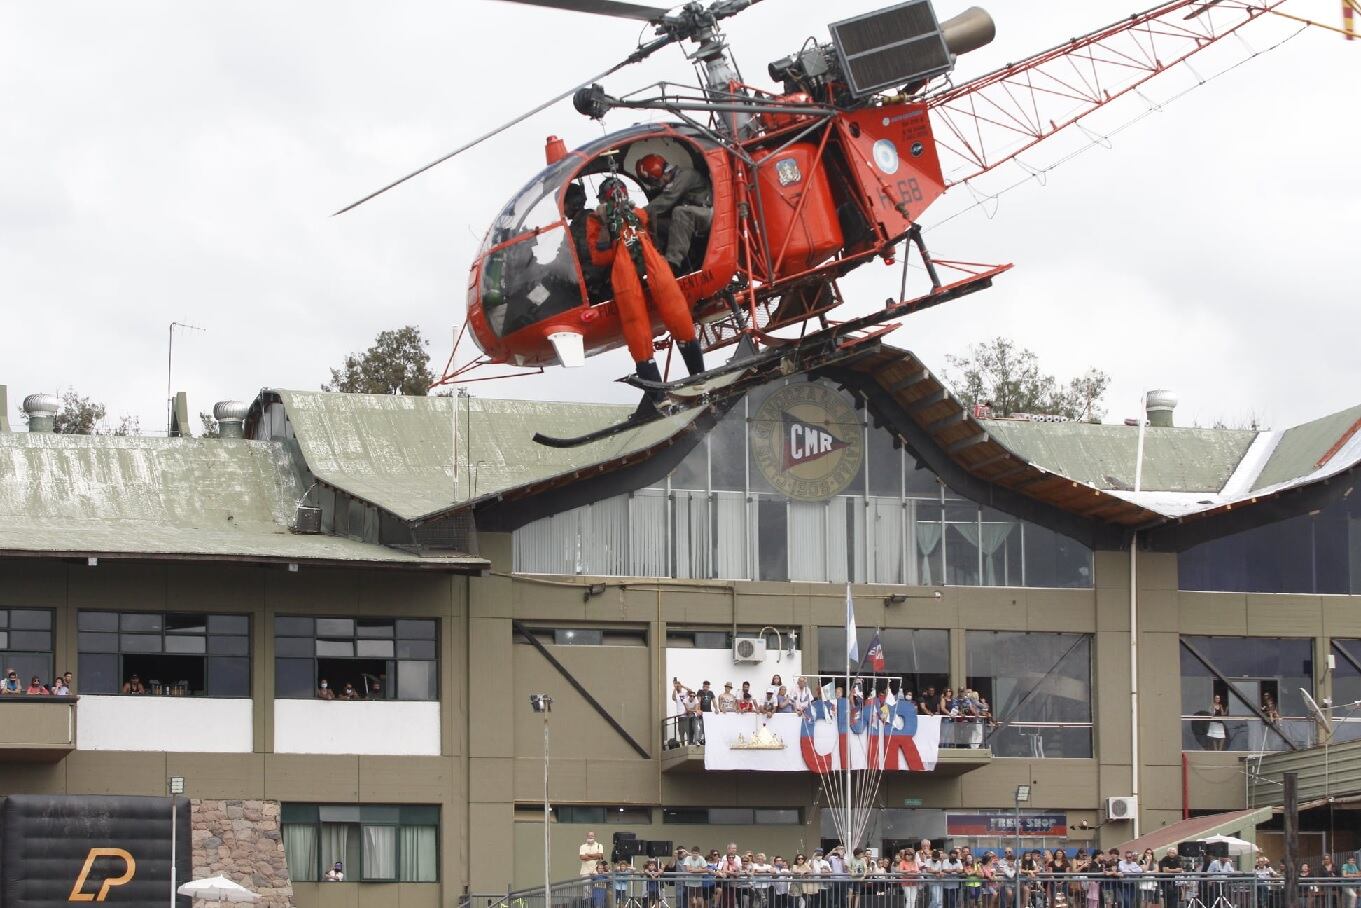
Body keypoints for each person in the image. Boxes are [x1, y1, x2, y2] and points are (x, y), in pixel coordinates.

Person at [586, 176, 705, 394]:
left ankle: (693, 380)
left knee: (672, 313)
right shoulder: (603, 220)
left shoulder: (632, 215)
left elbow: (604, 255)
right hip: (630, 270)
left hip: (645, 266)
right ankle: (671, 388)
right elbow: (599, 257)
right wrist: (610, 228)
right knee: (641, 325)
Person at [635, 153, 713, 273]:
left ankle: (672, 263)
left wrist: (639, 214)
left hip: (709, 214)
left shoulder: (685, 175)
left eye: (655, 182)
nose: (657, 186)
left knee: (680, 212)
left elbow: (666, 199)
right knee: (657, 223)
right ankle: (652, 263)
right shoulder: (676, 180)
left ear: (661, 175)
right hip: (695, 218)